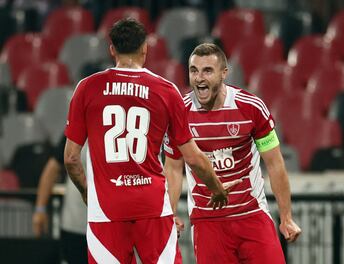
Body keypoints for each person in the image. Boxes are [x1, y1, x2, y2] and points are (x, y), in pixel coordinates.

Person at [63, 19, 228, 264]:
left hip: (106, 213)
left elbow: (71, 158)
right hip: (152, 208)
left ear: (112, 50)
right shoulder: (165, 90)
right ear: (145, 49)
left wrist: (89, 194)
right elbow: (192, 157)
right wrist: (217, 188)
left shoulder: (87, 88)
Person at [164, 43, 302, 264]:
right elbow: (172, 166)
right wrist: (170, 212)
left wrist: (286, 218)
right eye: (193, 70)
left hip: (251, 215)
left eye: (207, 70)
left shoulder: (252, 108)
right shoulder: (179, 112)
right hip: (208, 221)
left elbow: (276, 164)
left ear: (224, 73)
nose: (199, 78)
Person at [32, 135, 87, 264]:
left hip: (109, 224)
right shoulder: (75, 130)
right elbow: (52, 169)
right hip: (75, 225)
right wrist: (40, 209)